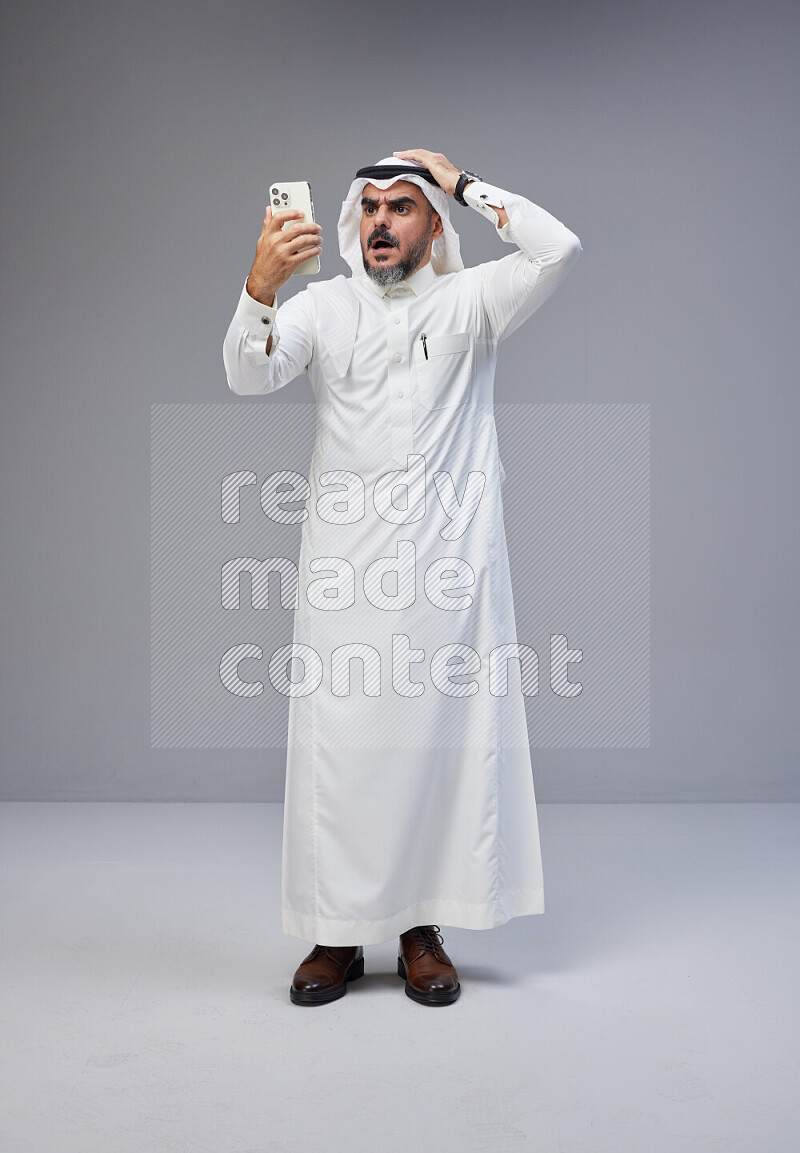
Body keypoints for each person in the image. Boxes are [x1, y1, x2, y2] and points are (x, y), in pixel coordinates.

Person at [223, 148, 582, 1006]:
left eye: (403, 206)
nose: (382, 220)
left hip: (449, 581)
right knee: (343, 754)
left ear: (432, 224)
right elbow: (248, 373)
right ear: (354, 223)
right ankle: (337, 934)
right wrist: (258, 287)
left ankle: (422, 926)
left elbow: (558, 248)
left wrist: (463, 181)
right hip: (345, 580)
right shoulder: (322, 306)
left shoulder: (472, 301)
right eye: (370, 207)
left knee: (439, 751)